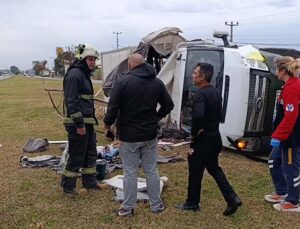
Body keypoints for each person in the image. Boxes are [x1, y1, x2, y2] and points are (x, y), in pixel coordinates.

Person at [103, 53, 174, 217]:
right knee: (151, 171)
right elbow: (168, 105)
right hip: (149, 135)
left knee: (130, 173)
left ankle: (127, 208)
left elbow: (112, 107)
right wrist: (156, 118)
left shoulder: (123, 82)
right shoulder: (157, 83)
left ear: (130, 65)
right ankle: (156, 206)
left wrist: (108, 126)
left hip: (128, 137)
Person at [176, 63, 242, 216]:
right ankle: (232, 198)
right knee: (214, 168)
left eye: (195, 72)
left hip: (203, 140)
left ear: (202, 76)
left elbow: (198, 115)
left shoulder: (200, 94)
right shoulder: (215, 92)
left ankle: (192, 203)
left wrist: (194, 133)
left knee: (195, 170)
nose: (192, 75)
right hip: (215, 137)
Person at [61, 44, 101, 195]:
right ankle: (68, 186)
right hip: (77, 123)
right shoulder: (74, 75)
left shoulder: (83, 75)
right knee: (77, 153)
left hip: (87, 122)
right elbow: (71, 101)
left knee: (90, 152)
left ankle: (90, 182)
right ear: (82, 59)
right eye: (90, 59)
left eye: (94, 60)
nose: (92, 62)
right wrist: (79, 124)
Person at [268, 56, 300, 212]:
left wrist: (278, 136)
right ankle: (282, 192)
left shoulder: (293, 88)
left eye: (276, 69)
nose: (275, 73)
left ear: (282, 71)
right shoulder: (287, 87)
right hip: (284, 136)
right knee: (273, 161)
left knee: (290, 168)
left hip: (291, 138)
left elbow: (291, 116)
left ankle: (293, 202)